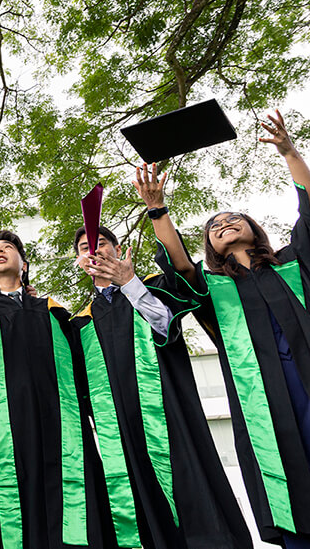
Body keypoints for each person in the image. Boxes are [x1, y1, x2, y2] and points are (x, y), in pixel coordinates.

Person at [136, 110, 310, 548]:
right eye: (213, 227)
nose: (223, 223)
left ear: (254, 229)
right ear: (209, 246)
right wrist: (157, 210)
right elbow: (180, 266)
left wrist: (289, 151)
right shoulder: (214, 291)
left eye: (233, 218)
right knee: (297, 501)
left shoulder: (297, 261)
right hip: (264, 407)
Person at [69, 225, 252, 548]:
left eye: (100, 243)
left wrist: (129, 284)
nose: (93, 250)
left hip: (170, 416)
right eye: (85, 247)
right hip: (120, 434)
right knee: (141, 508)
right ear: (81, 262)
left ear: (117, 248)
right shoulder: (80, 323)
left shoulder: (150, 288)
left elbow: (166, 327)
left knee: (192, 494)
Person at [0, 230, 116, 549]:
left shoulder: (55, 313)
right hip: (10, 431)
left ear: (24, 264)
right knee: (20, 509)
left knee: (82, 508)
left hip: (66, 426)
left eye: (7, 248)